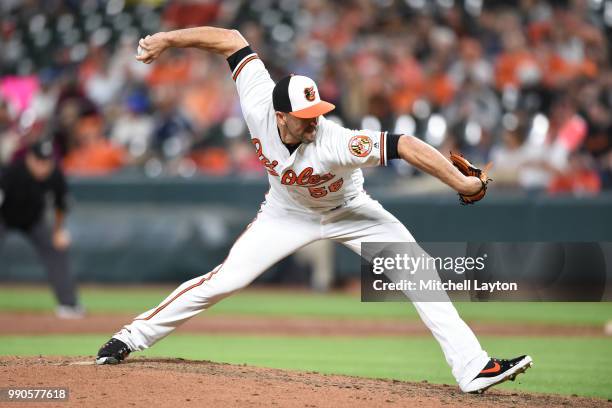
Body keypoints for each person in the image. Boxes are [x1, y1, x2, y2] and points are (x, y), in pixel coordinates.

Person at [96, 26, 532, 393]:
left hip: (351, 211)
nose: (314, 120)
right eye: (304, 115)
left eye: (318, 111)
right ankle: (129, 337)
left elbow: (405, 145)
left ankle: (472, 367)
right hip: (285, 214)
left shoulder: (333, 140)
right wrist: (168, 39)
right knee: (224, 281)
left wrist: (460, 181)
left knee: (416, 270)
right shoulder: (257, 101)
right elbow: (230, 39)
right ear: (279, 115)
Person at [0, 140, 83, 318]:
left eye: (46, 161)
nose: (43, 166)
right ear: (29, 158)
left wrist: (59, 230)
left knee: (56, 249)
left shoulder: (54, 174)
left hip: (33, 220)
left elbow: (61, 205)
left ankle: (68, 304)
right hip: (4, 216)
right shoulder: (13, 172)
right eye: (39, 161)